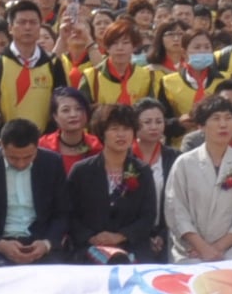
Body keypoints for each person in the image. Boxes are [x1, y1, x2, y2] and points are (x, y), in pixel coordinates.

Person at [61, 105, 163, 263]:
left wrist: (120, 236)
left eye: (127, 129)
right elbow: (70, 213)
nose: (121, 135)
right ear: (102, 133)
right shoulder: (82, 171)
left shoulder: (142, 171)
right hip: (90, 247)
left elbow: (148, 216)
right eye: (114, 129)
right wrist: (91, 237)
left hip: (132, 246)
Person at [165, 102, 232, 261]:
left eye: (228, 118)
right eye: (216, 119)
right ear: (201, 126)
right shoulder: (184, 163)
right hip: (191, 251)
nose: (223, 124)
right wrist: (202, 248)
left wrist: (217, 249)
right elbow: (176, 210)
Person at [0, 116, 64, 266]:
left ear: (37, 147)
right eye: (13, 158)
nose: (21, 163)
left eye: (28, 157)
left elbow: (63, 212)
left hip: (40, 243)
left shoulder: (52, 163)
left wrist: (46, 243)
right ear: (1, 145)